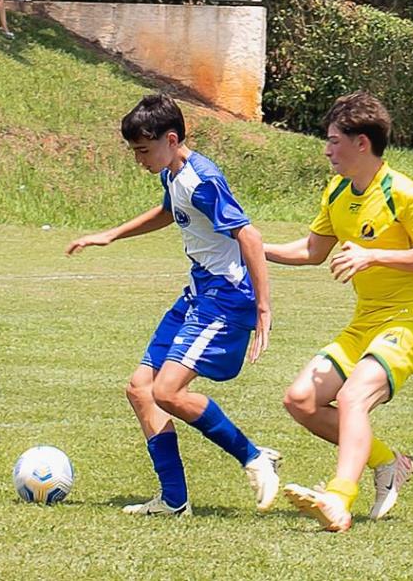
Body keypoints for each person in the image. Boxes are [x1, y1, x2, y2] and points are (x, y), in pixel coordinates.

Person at [65, 94, 280, 516]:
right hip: (197, 294)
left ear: (171, 138)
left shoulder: (203, 180)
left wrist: (264, 308)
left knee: (167, 391)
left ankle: (255, 457)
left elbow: (250, 238)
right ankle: (174, 499)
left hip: (225, 299)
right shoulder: (174, 175)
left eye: (143, 150)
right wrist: (111, 234)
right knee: (140, 389)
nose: (139, 160)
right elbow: (169, 211)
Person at [264, 92, 413, 533]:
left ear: (361, 143)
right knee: (301, 401)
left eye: (333, 141)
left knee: (351, 398)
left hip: (411, 318)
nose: (327, 150)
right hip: (366, 319)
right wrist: (254, 246)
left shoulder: (404, 194)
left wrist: (373, 256)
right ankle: (387, 462)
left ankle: (338, 499)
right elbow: (312, 251)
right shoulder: (337, 192)